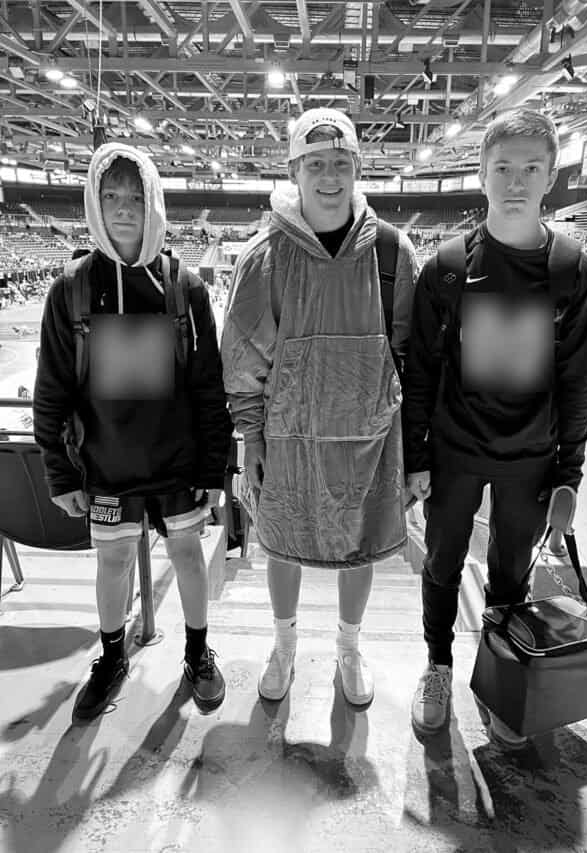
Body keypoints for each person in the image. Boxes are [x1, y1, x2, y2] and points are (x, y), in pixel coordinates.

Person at [403, 108, 587, 747]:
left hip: (531, 456)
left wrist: (569, 472)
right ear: (483, 173)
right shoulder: (448, 267)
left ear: (552, 176)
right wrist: (415, 457)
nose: (516, 182)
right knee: (441, 562)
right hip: (456, 450)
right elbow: (421, 371)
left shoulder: (573, 271)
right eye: (503, 168)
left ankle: (502, 673)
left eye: (531, 169)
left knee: (510, 574)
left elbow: (579, 379)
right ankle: (437, 664)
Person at [221, 108, 418, 706]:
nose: (329, 177)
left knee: (360, 543)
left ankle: (349, 646)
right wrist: (252, 438)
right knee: (281, 544)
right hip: (289, 438)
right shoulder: (265, 257)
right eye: (315, 164)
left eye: (339, 163)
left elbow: (412, 354)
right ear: (294, 171)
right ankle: (283, 643)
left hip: (369, 439)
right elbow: (243, 359)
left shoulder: (392, 253)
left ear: (356, 168)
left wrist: (415, 453)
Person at [33, 143, 232, 720]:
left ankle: (196, 654)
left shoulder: (183, 286)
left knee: (189, 556)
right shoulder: (69, 289)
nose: (123, 208)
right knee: (112, 564)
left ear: (154, 203)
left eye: (135, 197)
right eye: (111, 195)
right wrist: (60, 473)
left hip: (177, 463)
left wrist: (213, 469)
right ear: (95, 203)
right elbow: (52, 391)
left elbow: (208, 387)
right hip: (107, 464)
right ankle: (112, 657)